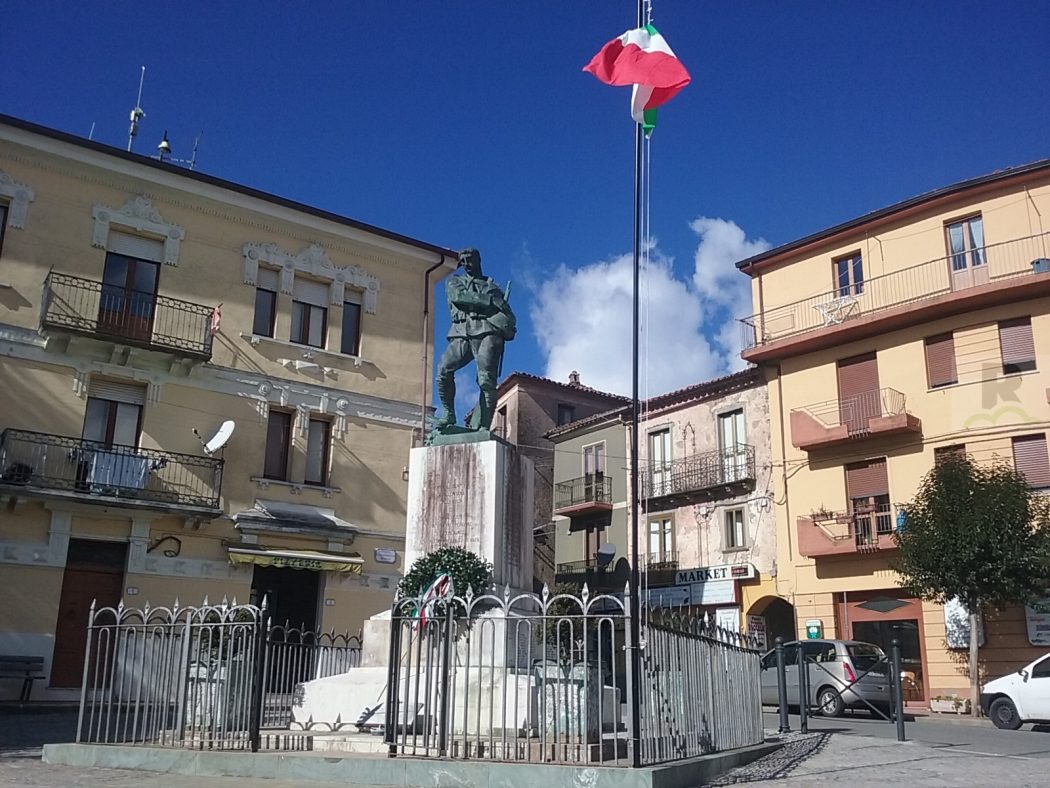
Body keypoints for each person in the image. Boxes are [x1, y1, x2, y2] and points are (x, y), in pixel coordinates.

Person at [435, 248, 515, 431]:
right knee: (443, 371)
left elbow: (509, 317)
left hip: (488, 331)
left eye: (469, 259)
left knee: (486, 380)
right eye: (462, 261)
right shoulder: (454, 281)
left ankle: (484, 426)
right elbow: (459, 297)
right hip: (461, 331)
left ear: (478, 260)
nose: (466, 264)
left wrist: (506, 324)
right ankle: (448, 413)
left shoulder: (494, 288)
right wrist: (491, 301)